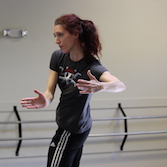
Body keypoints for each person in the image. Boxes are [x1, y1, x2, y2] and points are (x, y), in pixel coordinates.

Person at [21, 14, 126, 167]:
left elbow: (120, 85)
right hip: (72, 124)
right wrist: (45, 99)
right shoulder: (58, 57)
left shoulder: (92, 66)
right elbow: (49, 93)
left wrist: (102, 86)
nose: (57, 40)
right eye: (55, 36)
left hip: (72, 128)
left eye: (60, 35)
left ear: (75, 34)